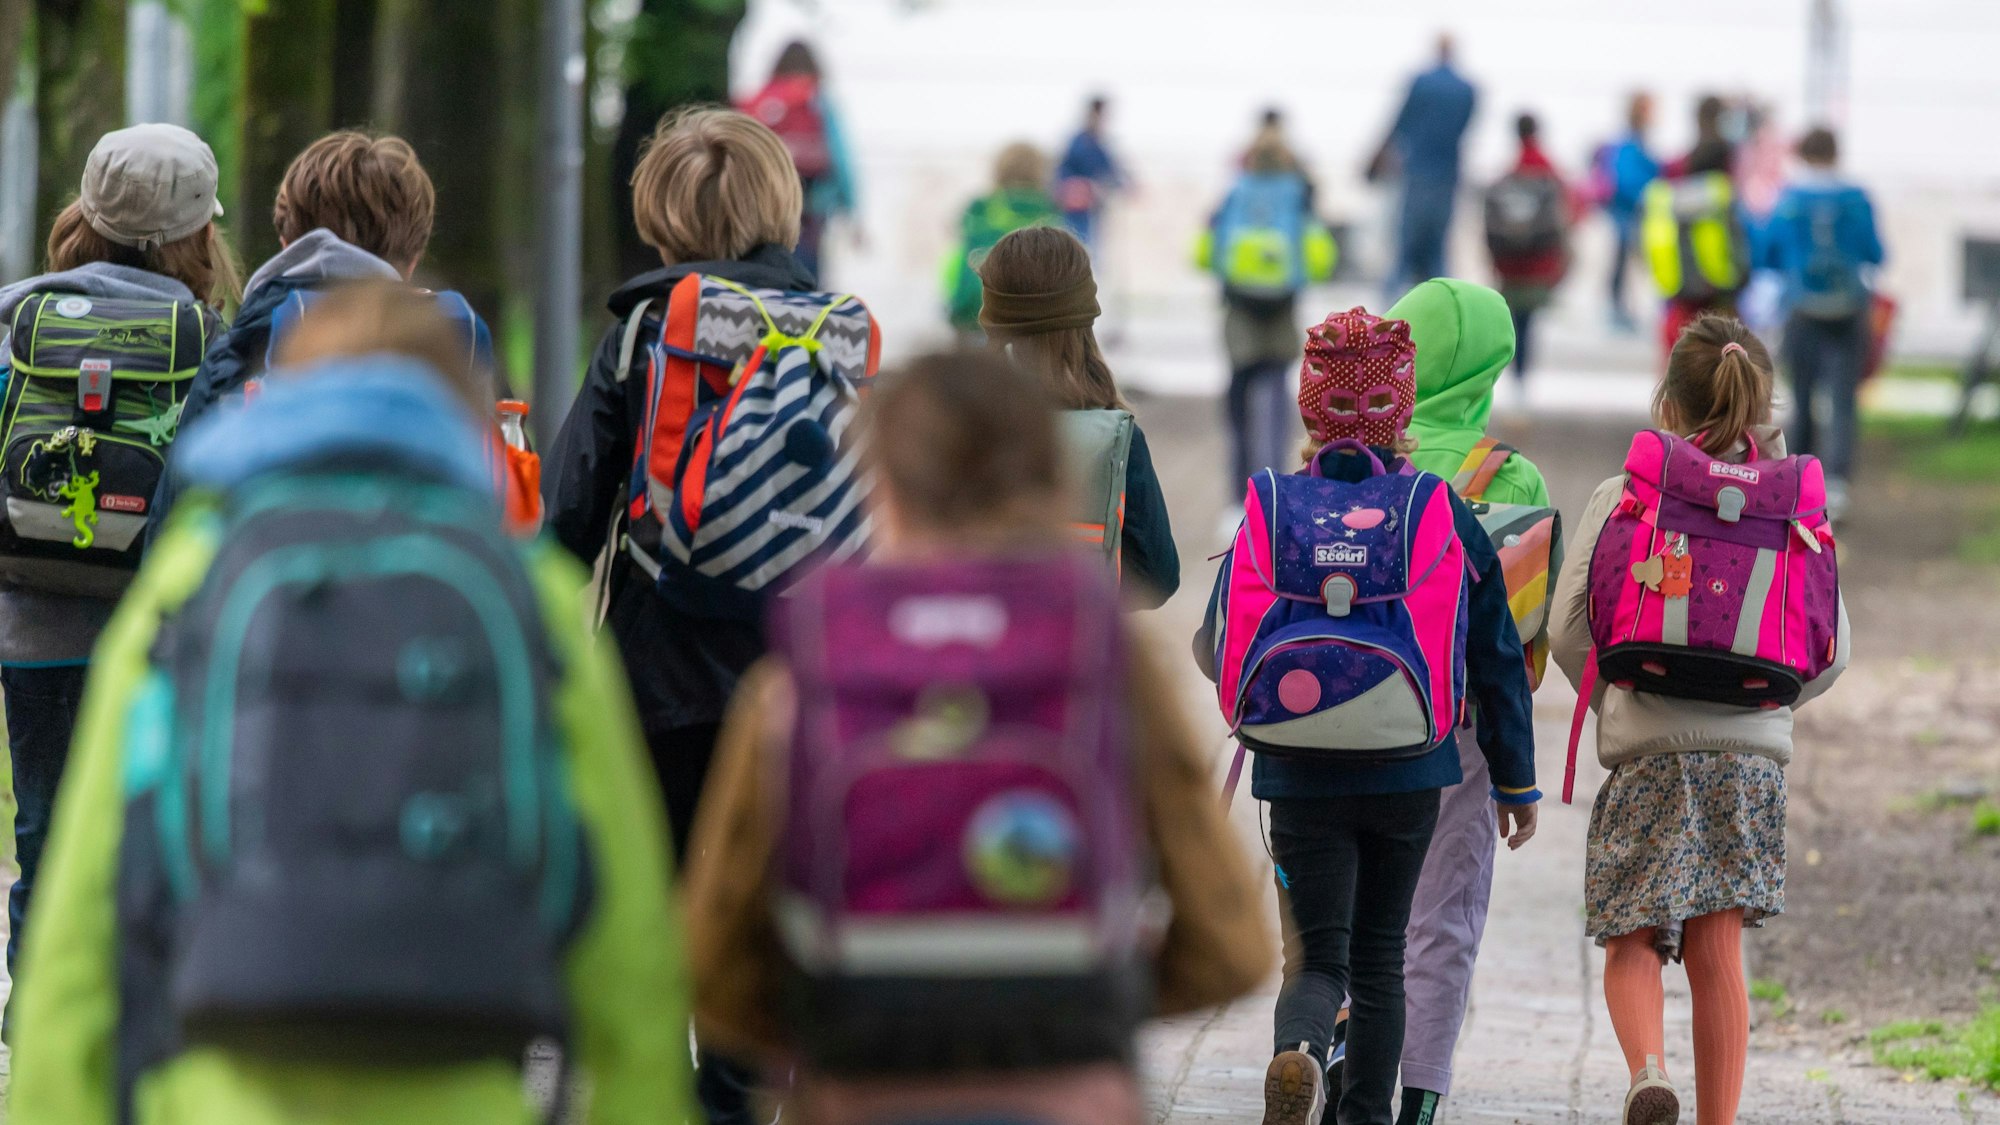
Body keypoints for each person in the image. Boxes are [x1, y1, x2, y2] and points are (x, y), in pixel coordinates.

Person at [9, 303, 697, 1124]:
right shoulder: (528, 593)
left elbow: (84, 923)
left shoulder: (194, 577)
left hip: (218, 1093)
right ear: (464, 418)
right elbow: (626, 951)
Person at [682, 348, 1271, 1125]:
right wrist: (1078, 1010)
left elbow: (712, 966)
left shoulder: (807, 671)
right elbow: (1232, 944)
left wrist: (843, 1030)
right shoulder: (1105, 660)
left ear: (884, 488)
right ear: (1050, 478)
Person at [542, 105, 834, 1124]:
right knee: (765, 917)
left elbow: (569, 521)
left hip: (657, 676)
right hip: (808, 683)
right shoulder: (839, 337)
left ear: (661, 215)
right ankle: (742, 1091)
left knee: (655, 915)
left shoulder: (642, 336)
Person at [1197, 308, 1539, 1125]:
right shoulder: (1437, 508)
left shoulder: (1275, 506)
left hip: (1298, 768)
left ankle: (1303, 1050)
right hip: (1410, 768)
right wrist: (1516, 781)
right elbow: (1495, 655)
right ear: (1401, 405)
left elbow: (1218, 643)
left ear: (1311, 406)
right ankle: (1365, 1118)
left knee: (1319, 955)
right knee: (1383, 959)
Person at [1550, 316, 1850, 1125]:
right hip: (1748, 760)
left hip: (1649, 749)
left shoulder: (1630, 492)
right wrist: (1762, 697)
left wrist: (1623, 692)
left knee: (1632, 935)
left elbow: (1569, 627)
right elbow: (1830, 649)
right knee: (1719, 954)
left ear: (1668, 399)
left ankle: (1649, 1072)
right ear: (1763, 401)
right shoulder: (1794, 505)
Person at [0, 123, 237, 988]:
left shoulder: (19, 316)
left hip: (32, 629)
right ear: (197, 234)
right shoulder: (207, 337)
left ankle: (35, 1022)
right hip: (155, 634)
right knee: (154, 843)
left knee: (46, 839)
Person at [1371, 277, 1551, 1124]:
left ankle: (1331, 1047)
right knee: (1441, 916)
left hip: (1342, 726)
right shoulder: (1509, 477)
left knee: (1349, 907)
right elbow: (1523, 652)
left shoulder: (1351, 459)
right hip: (1460, 736)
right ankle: (1419, 1093)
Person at [149, 130, 491, 538]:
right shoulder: (461, 347)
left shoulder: (241, 349)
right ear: (414, 259)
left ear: (286, 243)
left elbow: (178, 526)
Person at [977, 226, 1178, 605]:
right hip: (1074, 650)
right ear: (1085, 313)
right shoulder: (1117, 437)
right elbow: (1158, 579)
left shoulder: (959, 424)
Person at [1201, 120, 1335, 516]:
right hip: (1282, 308)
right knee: (1277, 397)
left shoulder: (1234, 192)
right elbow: (1321, 259)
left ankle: (1234, 500)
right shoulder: (1297, 195)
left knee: (1239, 401)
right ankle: (1275, 486)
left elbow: (1205, 254)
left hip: (1239, 309)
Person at [1759, 126, 1884, 519]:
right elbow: (1876, 253)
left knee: (1804, 397)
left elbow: (1767, 254)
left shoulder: (1789, 200)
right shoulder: (1857, 199)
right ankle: (1839, 485)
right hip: (1849, 309)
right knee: (1844, 399)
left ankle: (1800, 482)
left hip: (1802, 309)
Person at [740, 40, 858, 282]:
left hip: (763, 208)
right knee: (805, 276)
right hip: (811, 208)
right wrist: (851, 209)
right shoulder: (816, 99)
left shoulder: (763, 101)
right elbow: (841, 157)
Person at [1643, 98, 1751, 361]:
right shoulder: (1725, 193)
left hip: (1677, 304)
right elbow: (1747, 250)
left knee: (1678, 382)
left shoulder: (1669, 187)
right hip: (1721, 306)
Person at [1381, 34, 1477, 296]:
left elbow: (1401, 121)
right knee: (1438, 248)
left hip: (1417, 172)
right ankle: (1441, 303)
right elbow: (1467, 127)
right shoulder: (1466, 89)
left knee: (1406, 247)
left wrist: (1383, 153)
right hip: (1447, 175)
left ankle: (1388, 310)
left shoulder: (1421, 83)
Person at [1483, 113, 1573, 387]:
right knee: (1527, 323)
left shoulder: (1508, 174)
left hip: (1509, 264)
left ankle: (1515, 377)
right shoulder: (1548, 171)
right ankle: (1522, 377)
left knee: (1515, 320)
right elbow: (1565, 215)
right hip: (1538, 263)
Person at [944, 142, 1061, 339]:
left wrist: (958, 314)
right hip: (1033, 325)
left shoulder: (981, 208)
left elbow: (963, 263)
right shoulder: (1050, 212)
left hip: (977, 314)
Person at [1595, 94, 1661, 333]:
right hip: (1627, 215)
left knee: (1626, 265)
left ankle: (1624, 309)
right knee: (1623, 263)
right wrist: (1649, 193)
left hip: (1632, 215)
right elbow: (1625, 180)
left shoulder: (1637, 144)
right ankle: (1618, 310)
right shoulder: (1629, 145)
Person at [1054, 95, 1127, 256]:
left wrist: (1124, 185)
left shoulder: (1097, 142)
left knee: (1090, 244)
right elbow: (1063, 169)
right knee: (1079, 241)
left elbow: (1111, 169)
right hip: (1076, 204)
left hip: (1092, 203)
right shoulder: (1081, 141)